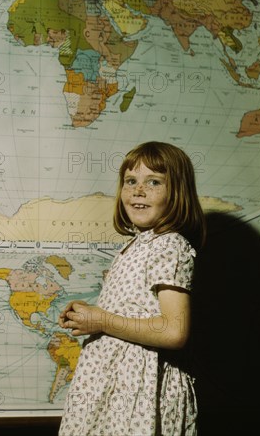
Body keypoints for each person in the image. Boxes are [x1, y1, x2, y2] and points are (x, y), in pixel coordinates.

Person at [58, 141, 206, 436]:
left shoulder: (170, 246)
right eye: (131, 181)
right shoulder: (136, 244)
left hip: (141, 391)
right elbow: (133, 307)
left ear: (177, 192)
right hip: (114, 386)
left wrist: (101, 320)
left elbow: (174, 332)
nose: (139, 190)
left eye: (154, 181)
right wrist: (90, 314)